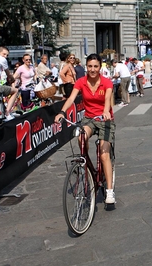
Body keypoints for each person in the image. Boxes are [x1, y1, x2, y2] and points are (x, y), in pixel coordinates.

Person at [54, 53, 116, 204]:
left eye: (95, 66)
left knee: (104, 154)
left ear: (100, 67)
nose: (92, 69)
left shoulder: (107, 83)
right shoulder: (81, 82)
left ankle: (109, 191)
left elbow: (107, 99)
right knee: (81, 137)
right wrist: (62, 112)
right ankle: (85, 163)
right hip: (89, 119)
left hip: (104, 120)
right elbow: (71, 98)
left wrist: (106, 111)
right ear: (86, 67)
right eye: (90, 66)